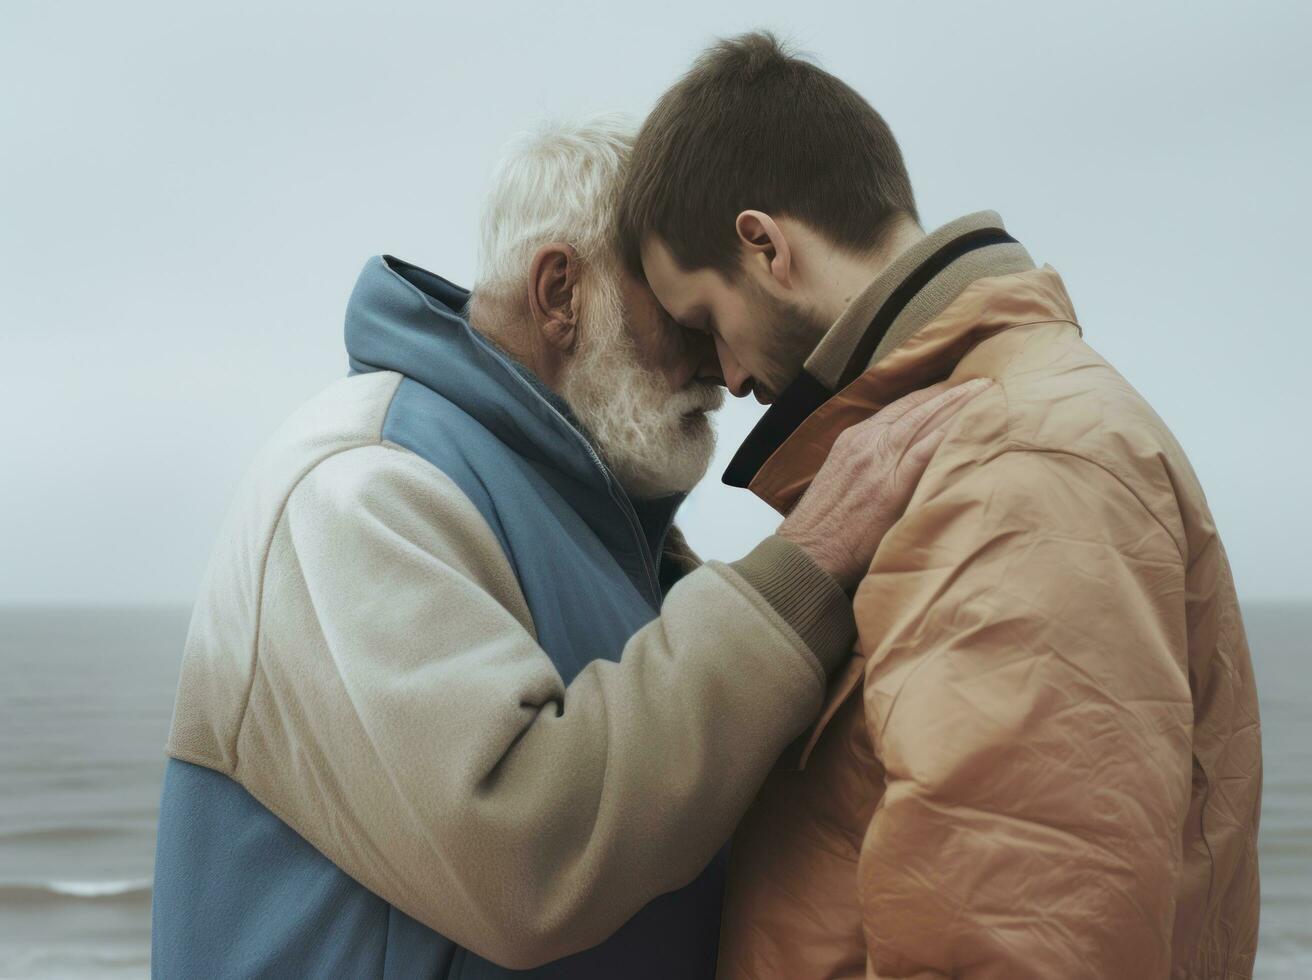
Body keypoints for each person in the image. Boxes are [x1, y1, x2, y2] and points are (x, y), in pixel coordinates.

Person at [150, 115, 984, 978]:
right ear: (560, 294)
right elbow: (524, 858)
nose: (725, 367)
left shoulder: (595, 515)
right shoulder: (363, 489)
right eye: (683, 309)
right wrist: (800, 571)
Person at [618, 32, 1262, 980]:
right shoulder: (968, 444)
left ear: (764, 245)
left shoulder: (1020, 462)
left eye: (709, 323)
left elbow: (1015, 939)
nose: (726, 375)